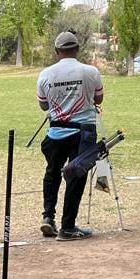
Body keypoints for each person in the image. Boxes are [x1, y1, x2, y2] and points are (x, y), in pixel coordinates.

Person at [37, 31, 103, 241]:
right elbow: (99, 99)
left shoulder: (45, 74)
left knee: (52, 172)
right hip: (83, 132)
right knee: (76, 176)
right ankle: (68, 226)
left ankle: (48, 217)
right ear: (77, 49)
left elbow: (43, 105)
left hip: (55, 132)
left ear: (57, 51)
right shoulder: (91, 71)